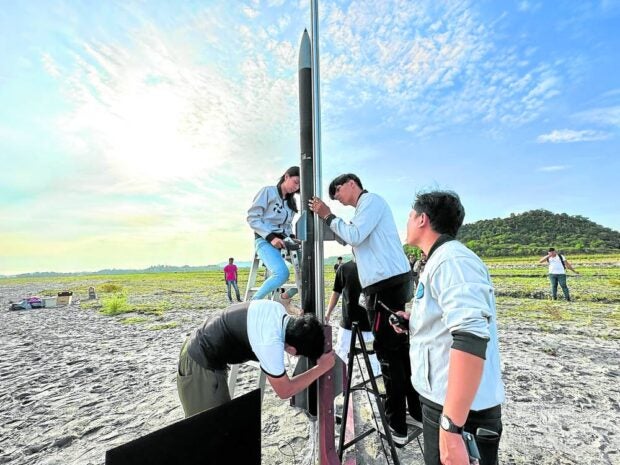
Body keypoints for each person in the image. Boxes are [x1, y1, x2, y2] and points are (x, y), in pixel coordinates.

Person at [308, 173, 421, 446]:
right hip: (391, 284)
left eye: (337, 191)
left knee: (389, 357)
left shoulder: (369, 202)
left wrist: (327, 215)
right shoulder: (367, 209)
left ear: (351, 184)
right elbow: (354, 238)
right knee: (400, 352)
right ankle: (416, 412)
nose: (336, 197)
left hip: (384, 286)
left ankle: (397, 425)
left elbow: (355, 236)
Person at [396, 190, 505, 465]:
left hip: (462, 411)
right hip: (445, 402)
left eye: (409, 216)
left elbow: (470, 336)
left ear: (422, 219)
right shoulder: (439, 259)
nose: (406, 223)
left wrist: (452, 427)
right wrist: (415, 323)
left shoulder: (452, 260)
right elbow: (451, 323)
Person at [177, 299, 335, 417]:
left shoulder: (277, 309)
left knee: (221, 422)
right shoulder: (270, 343)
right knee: (207, 428)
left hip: (205, 352)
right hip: (199, 363)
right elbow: (285, 390)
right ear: (292, 349)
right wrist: (321, 368)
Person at [247, 166, 300, 302]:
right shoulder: (268, 192)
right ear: (286, 176)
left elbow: (287, 226)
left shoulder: (291, 203)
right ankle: (252, 304)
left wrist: (293, 238)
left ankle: (285, 297)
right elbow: (253, 218)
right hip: (265, 240)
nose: (296, 187)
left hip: (284, 242)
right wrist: (271, 237)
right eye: (295, 182)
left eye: (299, 185)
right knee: (282, 274)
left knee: (310, 270)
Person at [325, 258, 381, 376]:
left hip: (370, 323)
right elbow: (336, 292)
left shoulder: (376, 265)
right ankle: (341, 386)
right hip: (347, 322)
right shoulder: (344, 268)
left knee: (374, 358)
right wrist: (328, 312)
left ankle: (375, 391)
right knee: (341, 354)